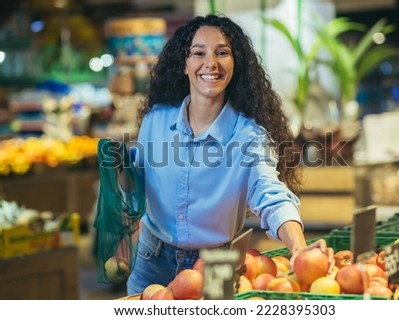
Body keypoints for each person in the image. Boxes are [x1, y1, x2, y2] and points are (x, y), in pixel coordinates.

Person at [125, 13, 330, 295]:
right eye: (198, 53)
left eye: (222, 52)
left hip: (215, 264)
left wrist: (299, 247)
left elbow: (270, 192)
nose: (211, 63)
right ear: (184, 65)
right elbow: (136, 182)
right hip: (151, 261)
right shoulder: (155, 120)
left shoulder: (249, 136)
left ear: (235, 64)